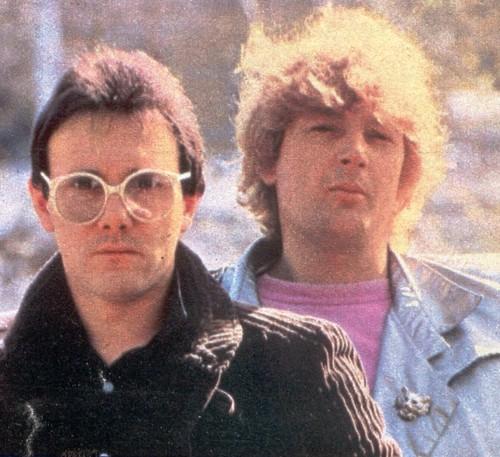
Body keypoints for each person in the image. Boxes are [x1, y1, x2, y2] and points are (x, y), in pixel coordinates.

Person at [0, 46, 400, 457]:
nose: (115, 216)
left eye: (146, 184)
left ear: (189, 201)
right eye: (85, 185)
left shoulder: (301, 366)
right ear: (43, 203)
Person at [217, 5, 500, 457]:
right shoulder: (182, 323)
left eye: (378, 136)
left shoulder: (488, 331)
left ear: (406, 175)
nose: (354, 153)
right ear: (269, 159)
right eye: (325, 129)